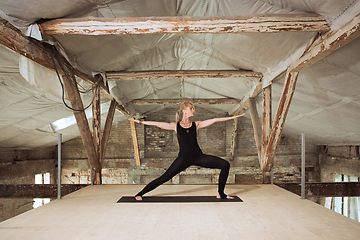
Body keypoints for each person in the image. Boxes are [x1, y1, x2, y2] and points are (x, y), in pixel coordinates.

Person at [129, 101, 245, 201]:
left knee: (225, 165)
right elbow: (156, 124)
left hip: (199, 157)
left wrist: (233, 117)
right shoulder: (175, 126)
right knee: (164, 178)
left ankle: (221, 193)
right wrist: (139, 122)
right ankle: (140, 194)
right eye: (191, 108)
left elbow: (215, 120)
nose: (193, 110)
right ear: (184, 111)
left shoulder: (196, 124)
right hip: (183, 159)